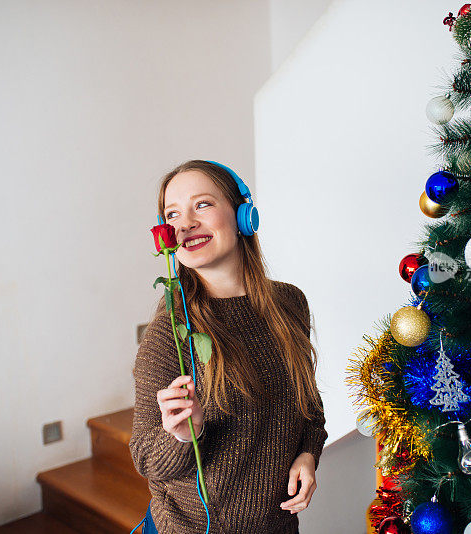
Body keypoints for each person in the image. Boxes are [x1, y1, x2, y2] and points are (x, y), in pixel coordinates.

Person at [129, 160, 328, 533]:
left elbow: (308, 404)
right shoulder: (169, 333)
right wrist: (182, 435)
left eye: (201, 205)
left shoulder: (290, 303)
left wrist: (308, 452)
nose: (184, 223)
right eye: (172, 214)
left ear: (244, 215)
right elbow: (147, 461)